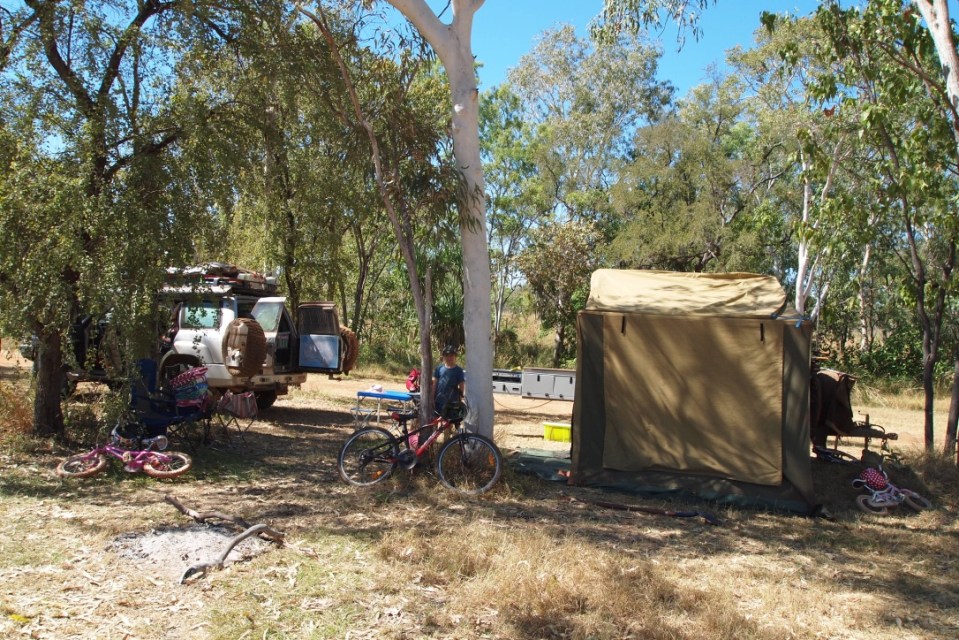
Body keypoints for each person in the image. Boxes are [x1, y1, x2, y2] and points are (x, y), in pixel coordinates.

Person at [432, 344, 465, 418]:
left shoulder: (459, 371)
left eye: (451, 355)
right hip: (439, 400)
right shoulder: (439, 369)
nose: (449, 358)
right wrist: (432, 398)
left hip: (452, 402)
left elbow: (461, 386)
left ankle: (449, 430)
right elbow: (435, 384)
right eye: (446, 355)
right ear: (443, 357)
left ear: (455, 357)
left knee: (449, 422)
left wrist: (460, 399)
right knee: (438, 420)